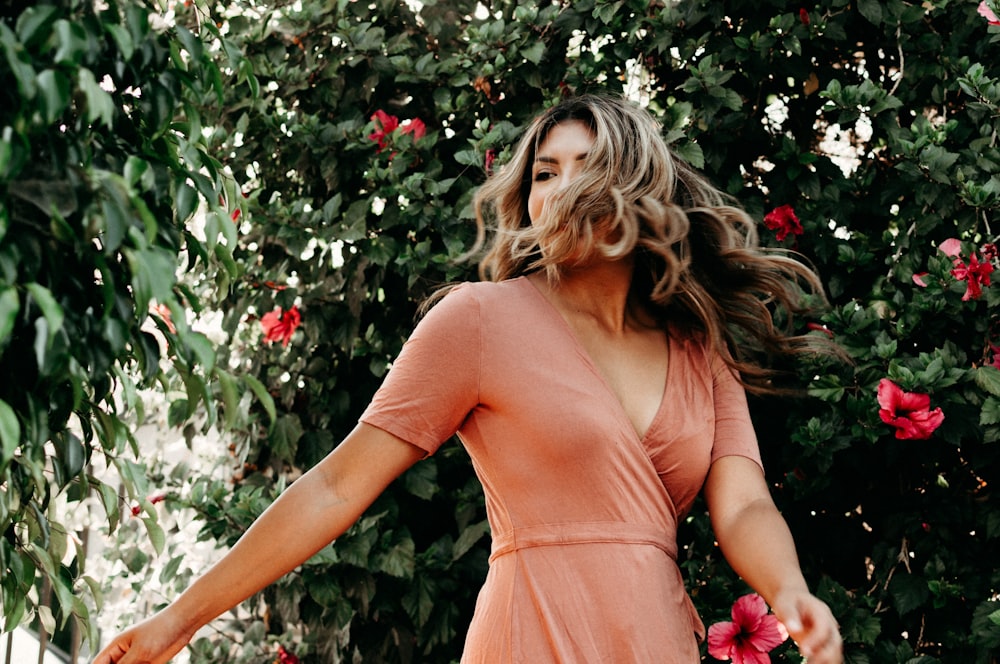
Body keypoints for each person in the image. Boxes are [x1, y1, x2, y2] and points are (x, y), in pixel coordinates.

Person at [93, 94, 843, 664]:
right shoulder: (481, 322)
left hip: (655, 639)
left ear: (637, 190)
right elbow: (334, 486)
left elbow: (744, 505)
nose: (559, 187)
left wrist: (791, 593)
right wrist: (177, 622)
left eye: (586, 167)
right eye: (544, 173)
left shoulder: (696, 345)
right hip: (529, 635)